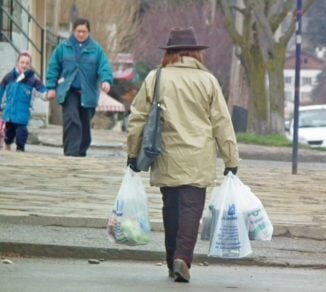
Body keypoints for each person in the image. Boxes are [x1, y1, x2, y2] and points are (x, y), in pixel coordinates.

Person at [126, 27, 239, 283]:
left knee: (171, 210)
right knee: (191, 211)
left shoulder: (156, 78)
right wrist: (231, 159)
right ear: (196, 54)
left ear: (169, 53)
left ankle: (171, 262)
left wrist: (133, 153)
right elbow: (222, 122)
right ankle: (182, 259)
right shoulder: (208, 81)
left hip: (165, 155)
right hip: (198, 158)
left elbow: (138, 118)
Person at [46, 17, 113, 157]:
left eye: (84, 31)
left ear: (89, 32)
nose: (81, 34)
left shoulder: (96, 49)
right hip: (69, 91)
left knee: (84, 126)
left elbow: (104, 67)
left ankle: (80, 152)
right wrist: (51, 87)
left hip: (88, 93)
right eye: (78, 31)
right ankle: (71, 153)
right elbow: (53, 67)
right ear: (73, 31)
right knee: (72, 119)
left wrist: (105, 80)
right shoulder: (63, 47)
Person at [0, 51, 47, 152]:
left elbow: (42, 90)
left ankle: (20, 149)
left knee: (21, 134)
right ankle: (7, 146)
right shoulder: (9, 77)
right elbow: (1, 90)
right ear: (17, 63)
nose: (24, 65)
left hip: (23, 114)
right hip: (9, 113)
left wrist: (47, 94)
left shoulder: (32, 80)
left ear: (29, 65)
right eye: (22, 62)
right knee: (8, 135)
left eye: (27, 63)